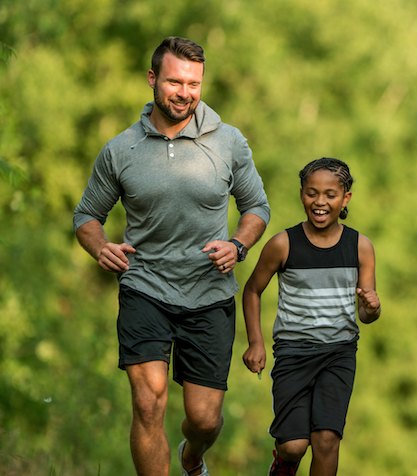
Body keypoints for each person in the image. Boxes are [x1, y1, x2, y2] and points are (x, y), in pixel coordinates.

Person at [72, 37, 270, 476]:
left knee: (203, 419)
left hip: (209, 291)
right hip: (145, 286)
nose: (185, 92)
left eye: (194, 83)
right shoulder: (120, 150)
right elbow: (87, 215)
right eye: (175, 82)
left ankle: (192, 458)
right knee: (148, 401)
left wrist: (238, 245)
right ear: (152, 79)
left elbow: (257, 206)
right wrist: (100, 246)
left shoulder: (229, 142)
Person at [242, 157, 381, 476]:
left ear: (345, 198)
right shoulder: (283, 244)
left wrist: (372, 308)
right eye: (311, 193)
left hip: (339, 353)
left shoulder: (360, 247)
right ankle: (282, 465)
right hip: (293, 353)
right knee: (293, 446)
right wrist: (256, 342)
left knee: (327, 440)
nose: (320, 202)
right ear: (302, 194)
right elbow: (251, 290)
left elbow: (365, 312)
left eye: (330, 194)